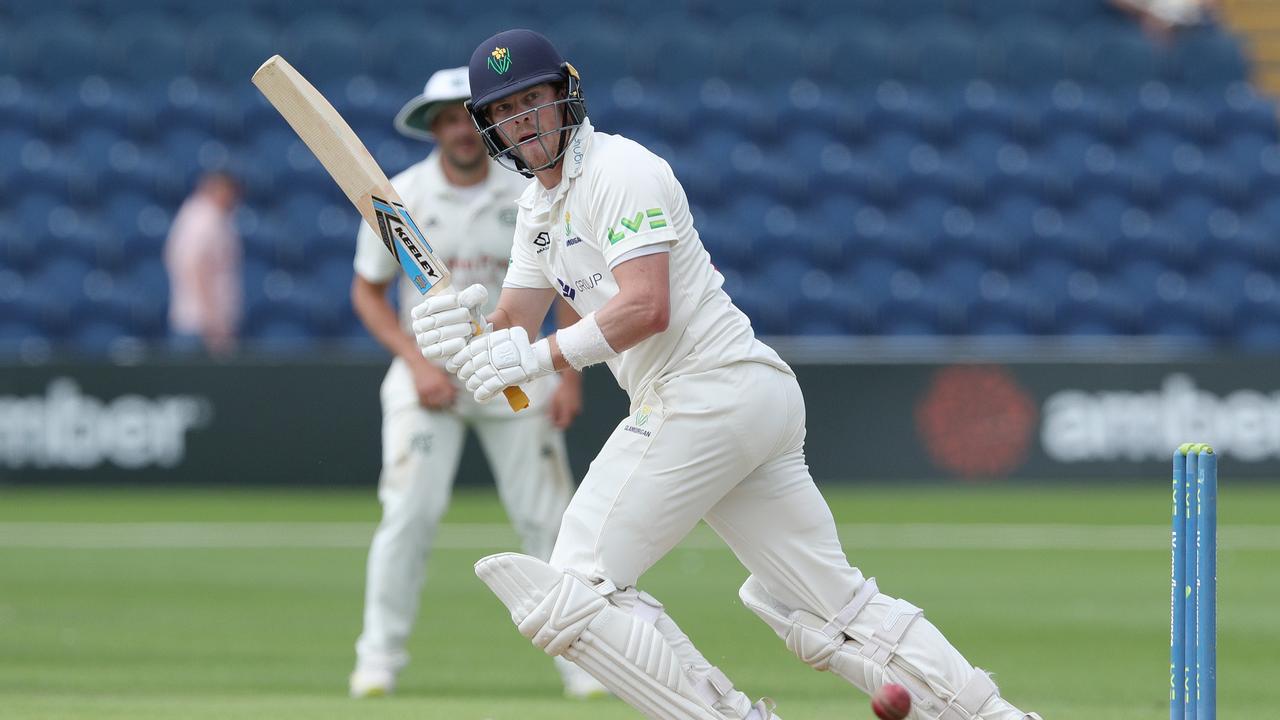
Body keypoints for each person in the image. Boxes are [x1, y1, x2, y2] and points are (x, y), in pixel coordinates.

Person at [412, 30, 1043, 720]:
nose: (521, 120)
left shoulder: (622, 171)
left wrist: (537, 356)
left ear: (565, 96)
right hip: (737, 397)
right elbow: (513, 318)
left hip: (703, 392)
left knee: (576, 587)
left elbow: (647, 306)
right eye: (504, 109)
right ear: (488, 125)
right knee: (823, 602)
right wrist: (458, 329)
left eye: (532, 99)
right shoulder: (538, 205)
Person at [347, 66, 605, 700]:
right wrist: (415, 361)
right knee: (408, 515)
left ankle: (582, 661)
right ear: (434, 128)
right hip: (427, 379)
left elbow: (567, 282)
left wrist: (565, 370)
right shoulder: (400, 199)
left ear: (488, 122)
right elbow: (368, 291)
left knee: (549, 518)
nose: (462, 130)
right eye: (449, 119)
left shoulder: (530, 192)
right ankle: (377, 661)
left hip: (514, 368)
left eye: (471, 116)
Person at [163, 171, 242, 356]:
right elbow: (196, 267)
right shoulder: (205, 219)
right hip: (202, 326)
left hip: (196, 323)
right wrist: (213, 320)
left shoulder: (199, 216)